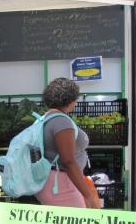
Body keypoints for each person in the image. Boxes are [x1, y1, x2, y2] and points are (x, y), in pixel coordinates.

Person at [36, 78, 101, 209]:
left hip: (54, 182)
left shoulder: (46, 118)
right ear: (68, 100)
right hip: (60, 185)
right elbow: (68, 161)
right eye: (74, 99)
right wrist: (88, 195)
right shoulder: (61, 122)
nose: (76, 103)